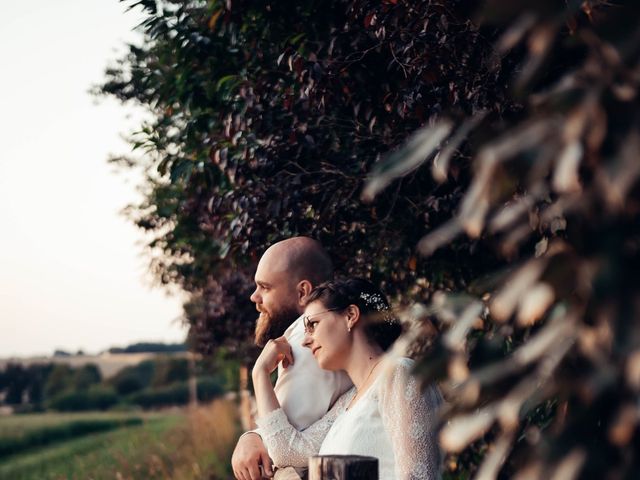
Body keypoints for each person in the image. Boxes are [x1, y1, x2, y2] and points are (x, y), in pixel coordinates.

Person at [252, 278, 442, 480]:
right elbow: (288, 453)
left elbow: (418, 476)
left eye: (313, 325)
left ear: (351, 315)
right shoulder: (347, 401)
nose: (305, 341)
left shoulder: (399, 374)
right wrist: (260, 374)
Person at [231, 237, 352, 480]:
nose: (254, 297)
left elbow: (276, 454)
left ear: (302, 292)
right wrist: (252, 436)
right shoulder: (328, 336)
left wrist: (259, 374)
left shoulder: (303, 343)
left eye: (264, 287)